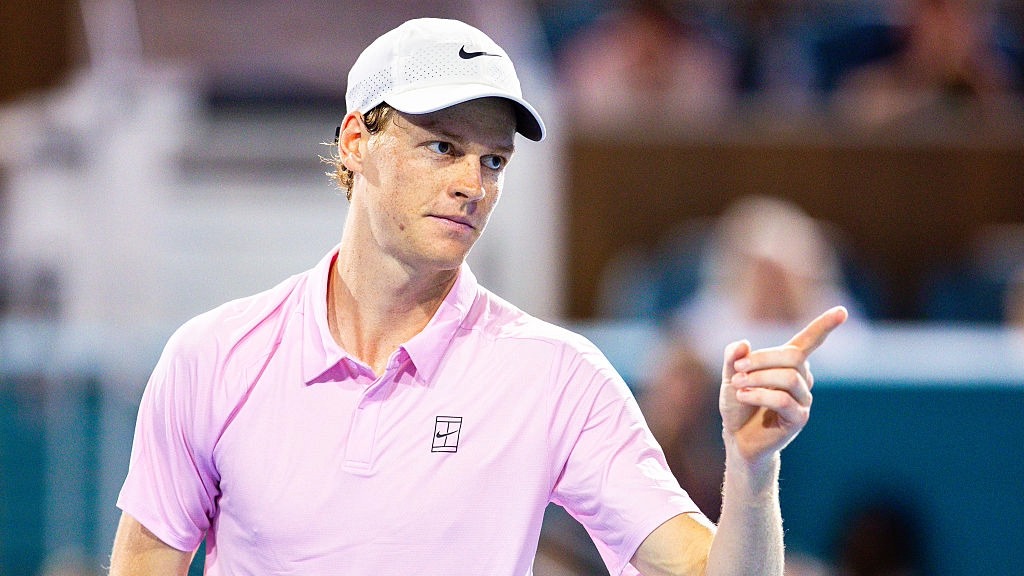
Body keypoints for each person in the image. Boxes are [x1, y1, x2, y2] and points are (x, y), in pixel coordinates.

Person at [108, 17, 848, 575]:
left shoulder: (558, 377)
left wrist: (752, 472)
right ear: (358, 141)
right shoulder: (211, 357)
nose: (473, 183)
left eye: (493, 159)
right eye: (443, 147)